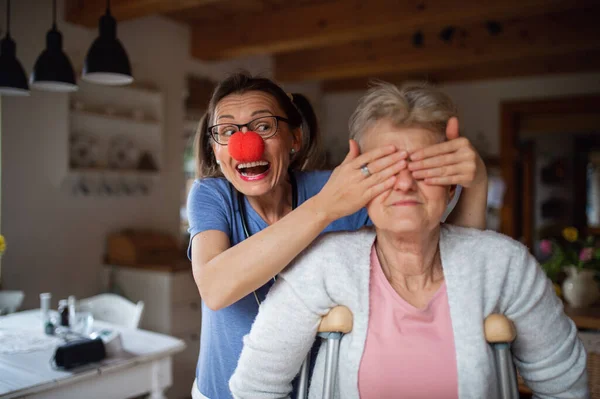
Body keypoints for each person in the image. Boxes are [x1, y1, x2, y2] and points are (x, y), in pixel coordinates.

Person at [229, 81, 588, 399]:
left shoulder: (505, 264)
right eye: (385, 168)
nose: (403, 183)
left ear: (450, 186)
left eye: (422, 168)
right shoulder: (324, 265)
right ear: (360, 186)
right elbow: (254, 387)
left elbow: (566, 387)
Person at [187, 73, 489, 399]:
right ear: (215, 150)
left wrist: (477, 184)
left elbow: (438, 262)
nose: (245, 145)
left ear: (295, 139)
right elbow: (215, 288)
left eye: (263, 127)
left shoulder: (338, 186)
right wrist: (325, 208)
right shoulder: (211, 194)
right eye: (227, 131)